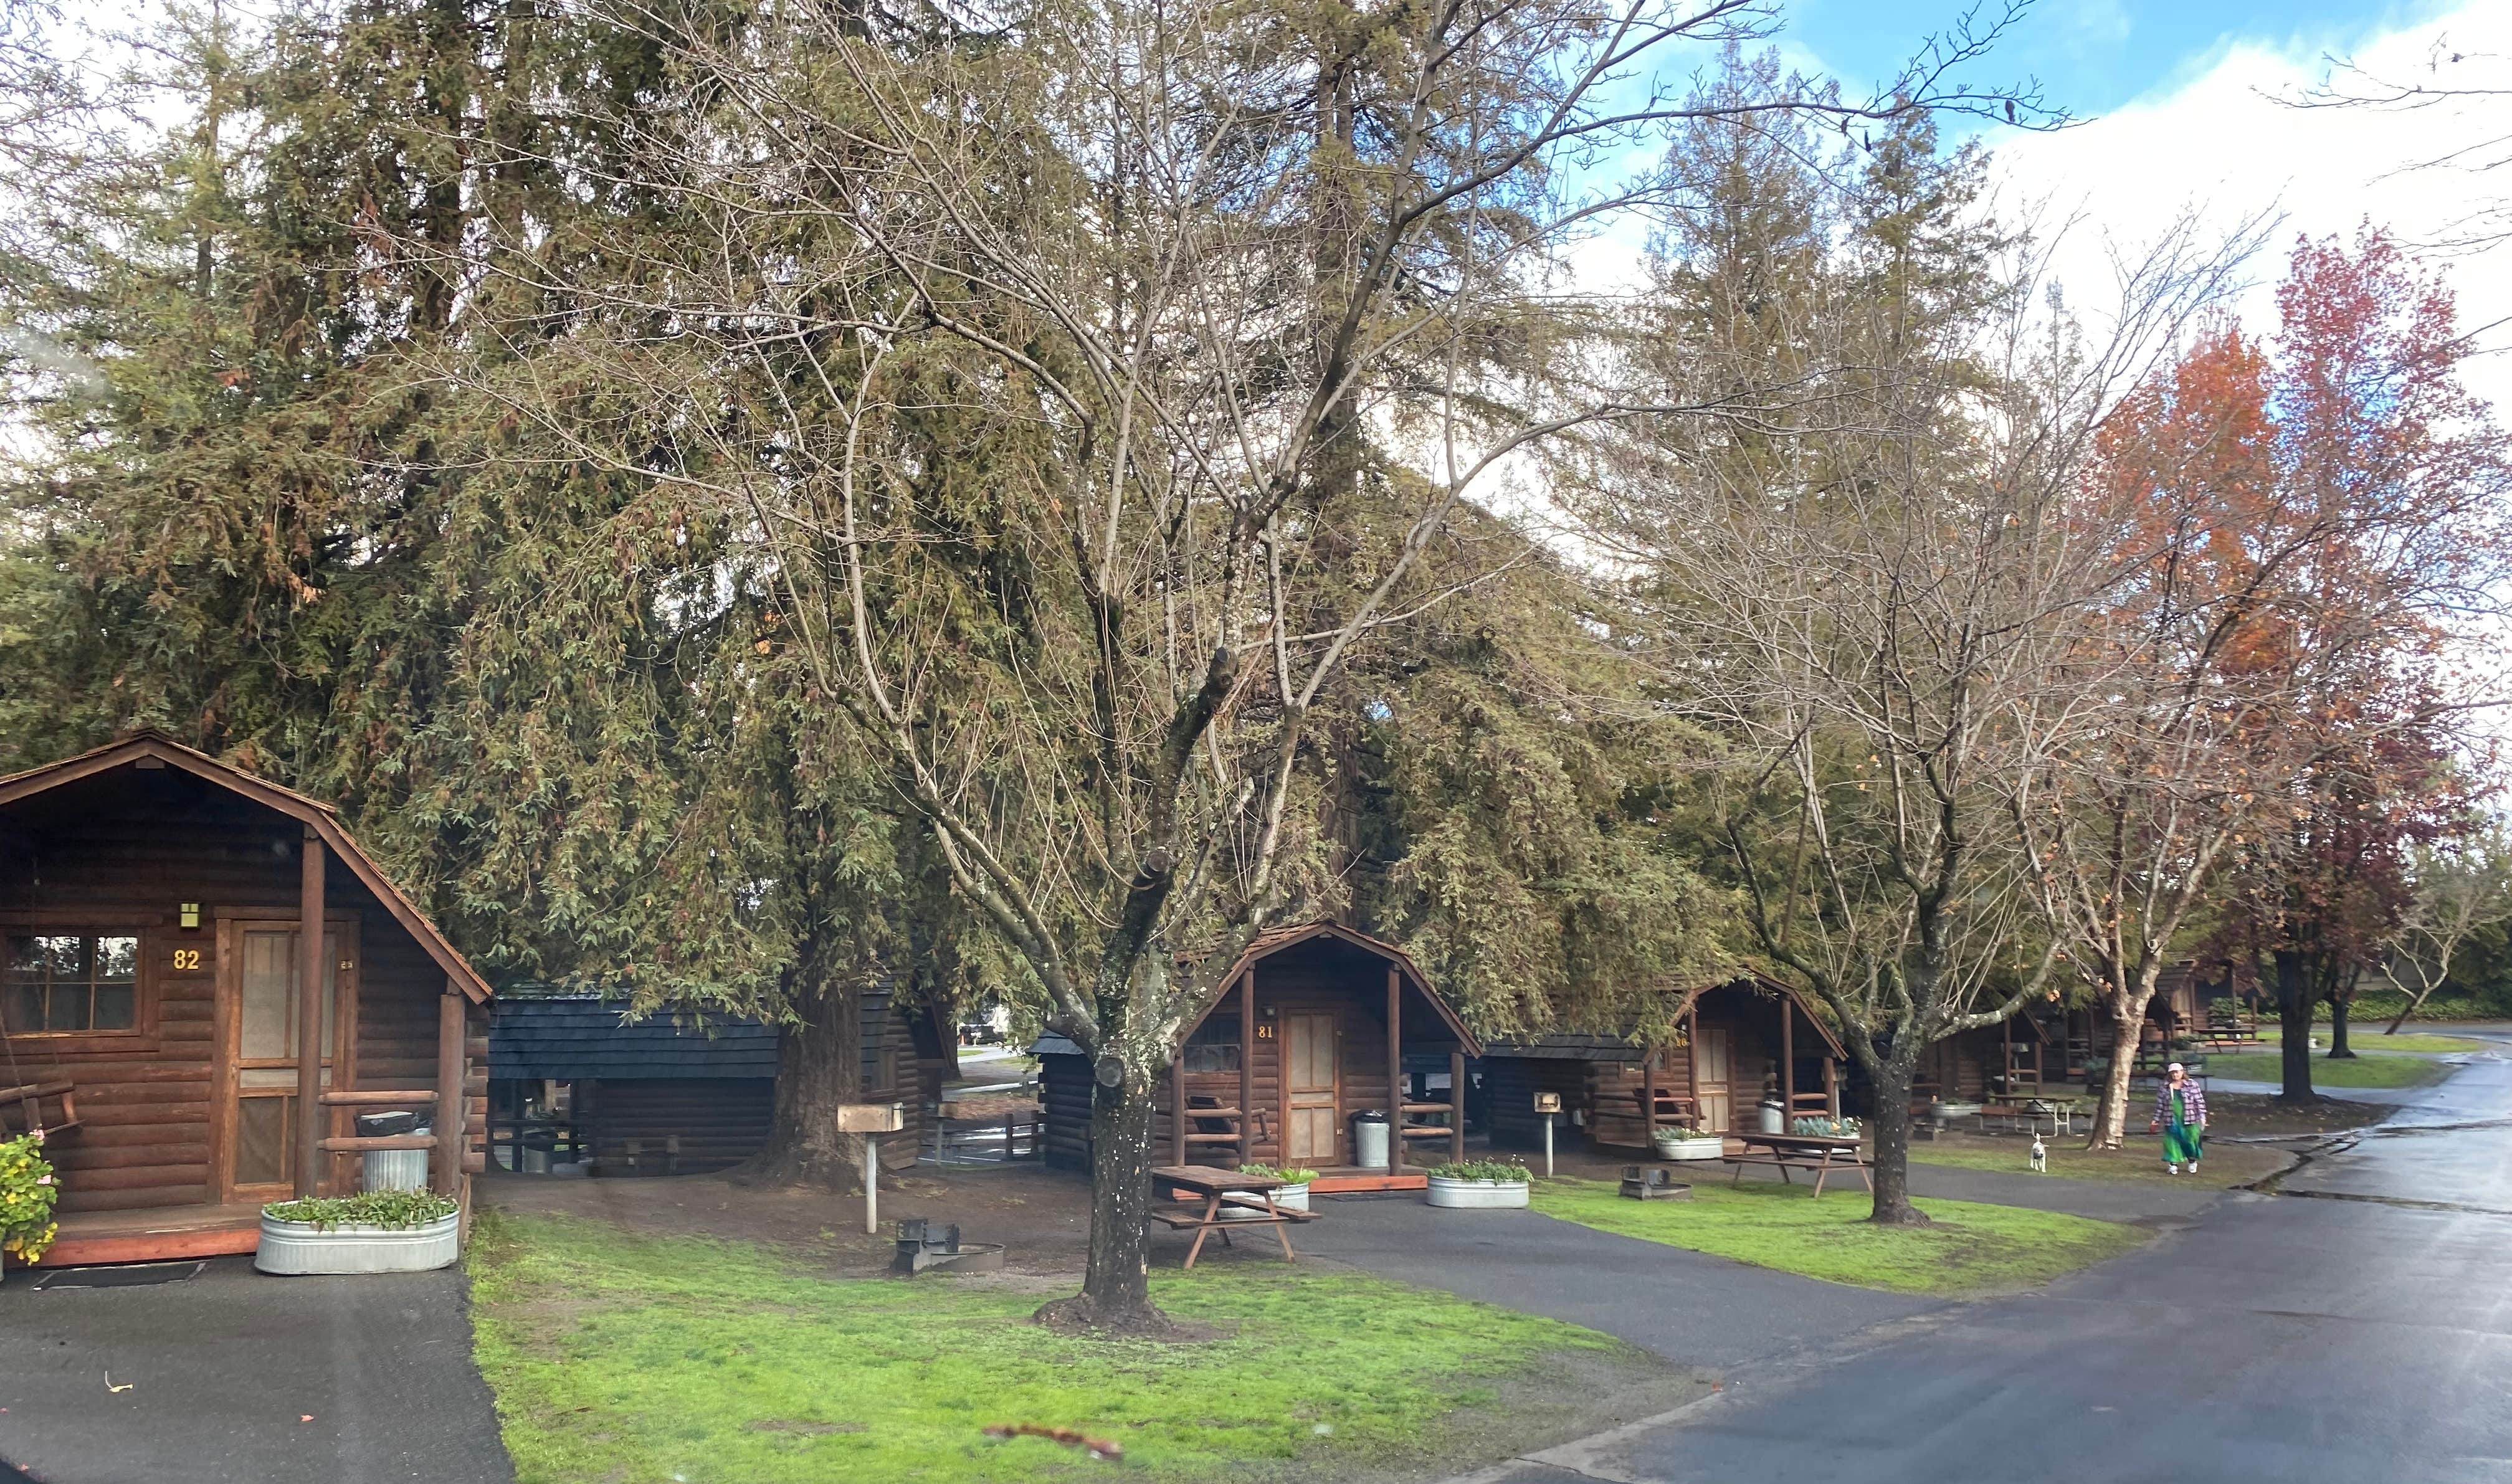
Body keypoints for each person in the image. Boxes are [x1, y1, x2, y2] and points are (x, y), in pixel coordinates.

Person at [2148, 1061, 2207, 1175]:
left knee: (2190, 1141)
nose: (2175, 1075)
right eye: (2173, 1073)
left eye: (2177, 1072)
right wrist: (2155, 1120)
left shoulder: (2192, 1084)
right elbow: (2160, 1105)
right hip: (2171, 1119)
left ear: (2182, 1072)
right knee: (2172, 1142)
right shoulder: (2165, 1087)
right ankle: (2173, 1165)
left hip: (2190, 1119)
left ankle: (2192, 1161)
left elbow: (2200, 1102)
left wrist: (2202, 1117)